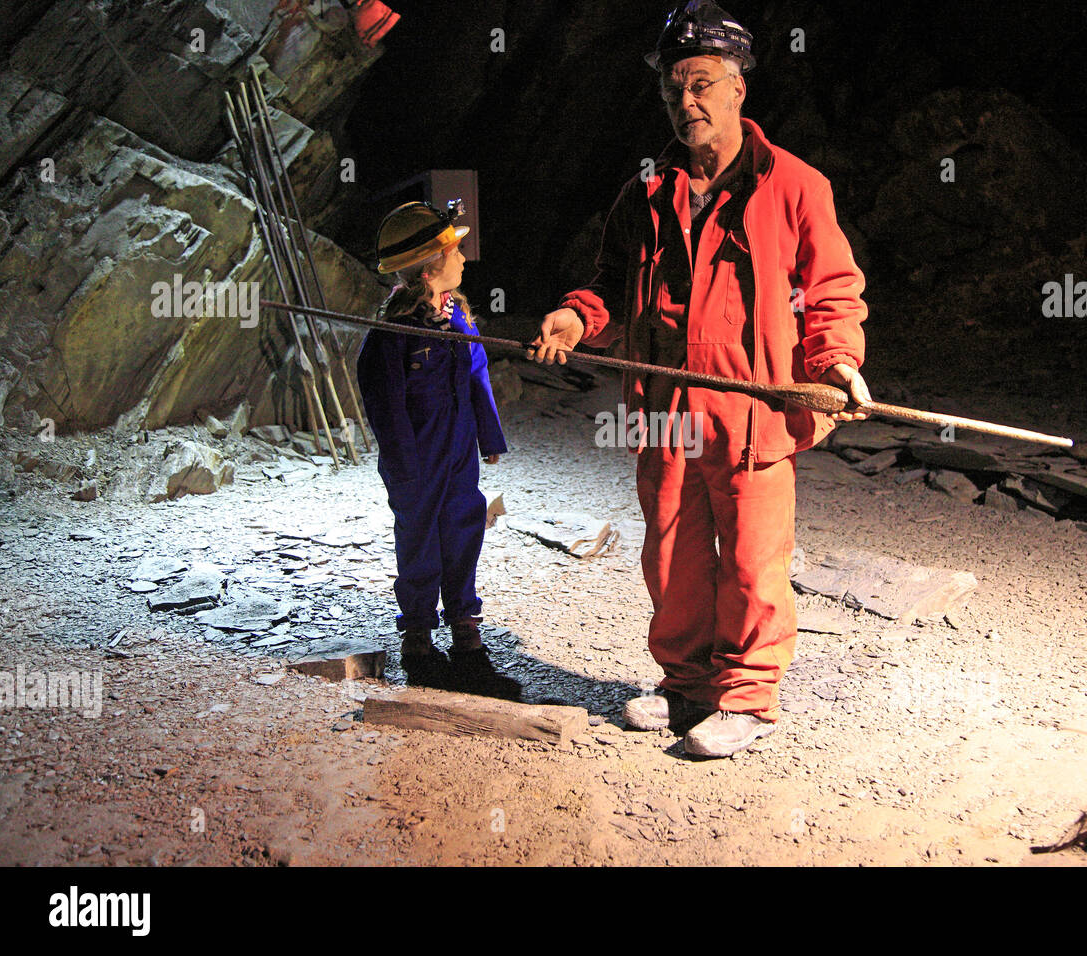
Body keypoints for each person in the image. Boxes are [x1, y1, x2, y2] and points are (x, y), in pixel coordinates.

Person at [531, 0, 871, 757]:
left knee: (752, 559)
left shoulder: (794, 186)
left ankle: (747, 696)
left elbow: (832, 293)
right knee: (674, 554)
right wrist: (574, 319)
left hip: (755, 412)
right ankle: (684, 685)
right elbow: (611, 290)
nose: (687, 102)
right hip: (666, 411)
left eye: (703, 83)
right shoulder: (645, 194)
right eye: (674, 87)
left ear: (739, 87)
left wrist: (837, 362)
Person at [357, 199, 519, 700]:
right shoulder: (394, 336)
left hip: (456, 455)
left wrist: (488, 437)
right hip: (416, 461)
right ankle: (419, 639)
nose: (464, 258)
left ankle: (465, 630)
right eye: (455, 250)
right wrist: (403, 464)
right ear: (430, 268)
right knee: (420, 540)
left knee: (463, 529)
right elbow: (385, 402)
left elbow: (476, 377)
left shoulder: (460, 319)